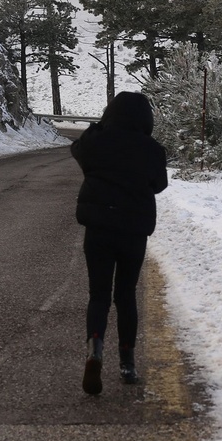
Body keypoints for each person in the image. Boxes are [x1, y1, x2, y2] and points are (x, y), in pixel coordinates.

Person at [70, 92, 168, 395]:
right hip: (133, 231)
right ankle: (127, 364)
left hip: (98, 229)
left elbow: (78, 149)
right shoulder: (152, 149)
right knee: (125, 296)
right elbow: (159, 184)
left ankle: (94, 352)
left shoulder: (96, 141)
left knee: (98, 294)